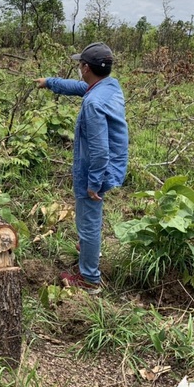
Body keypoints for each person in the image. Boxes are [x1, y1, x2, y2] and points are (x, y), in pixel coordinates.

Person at [34, 42, 128, 295]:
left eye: (79, 65)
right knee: (90, 219)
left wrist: (93, 183)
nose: (79, 69)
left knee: (88, 220)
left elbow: (98, 150)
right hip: (113, 164)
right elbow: (81, 88)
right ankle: (89, 249)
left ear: (86, 67)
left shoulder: (93, 104)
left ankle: (89, 279)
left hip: (96, 169)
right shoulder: (109, 87)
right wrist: (50, 82)